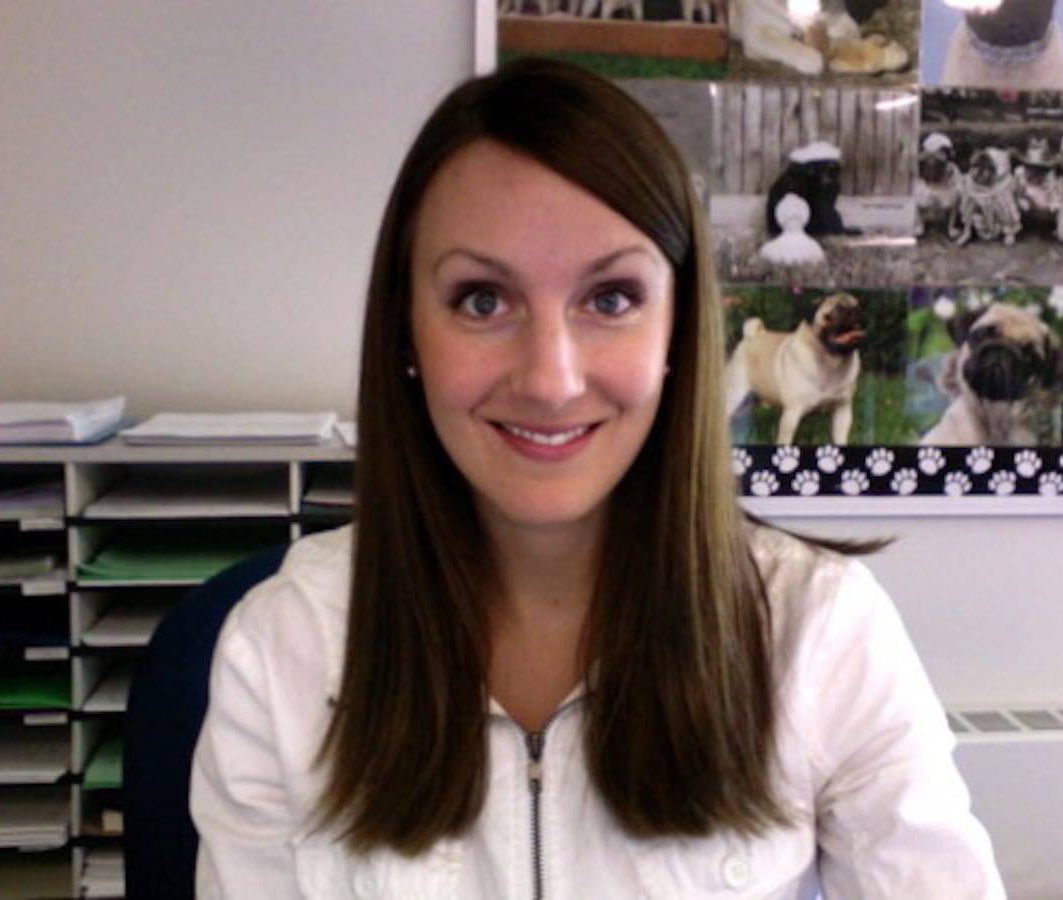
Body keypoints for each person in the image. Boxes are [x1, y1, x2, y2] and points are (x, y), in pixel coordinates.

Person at [190, 57, 1005, 898]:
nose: (550, 378)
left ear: (678, 330)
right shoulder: (281, 650)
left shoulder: (820, 632)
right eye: (481, 300)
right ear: (405, 332)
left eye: (611, 299)